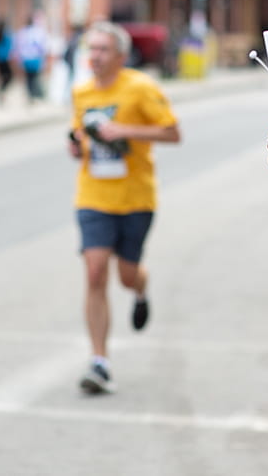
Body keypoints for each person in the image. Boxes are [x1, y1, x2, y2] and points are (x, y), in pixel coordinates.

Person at [67, 22, 180, 394]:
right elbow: (81, 137)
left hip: (136, 197)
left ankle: (141, 289)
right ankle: (99, 362)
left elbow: (172, 133)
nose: (94, 57)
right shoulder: (81, 93)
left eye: (102, 50)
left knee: (126, 275)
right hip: (93, 195)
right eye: (91, 49)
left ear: (120, 56)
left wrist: (125, 131)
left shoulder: (141, 88)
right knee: (96, 271)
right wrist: (76, 145)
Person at [16, 10, 50, 104]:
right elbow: (42, 46)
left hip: (26, 58)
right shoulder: (38, 31)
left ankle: (31, 95)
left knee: (28, 78)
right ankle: (34, 95)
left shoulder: (22, 32)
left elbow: (19, 47)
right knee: (35, 76)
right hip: (35, 58)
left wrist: (19, 59)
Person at [0, 17, 14, 107]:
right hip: (5, 59)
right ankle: (1, 91)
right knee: (9, 76)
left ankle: (1, 94)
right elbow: (10, 46)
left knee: (2, 77)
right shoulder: (6, 34)